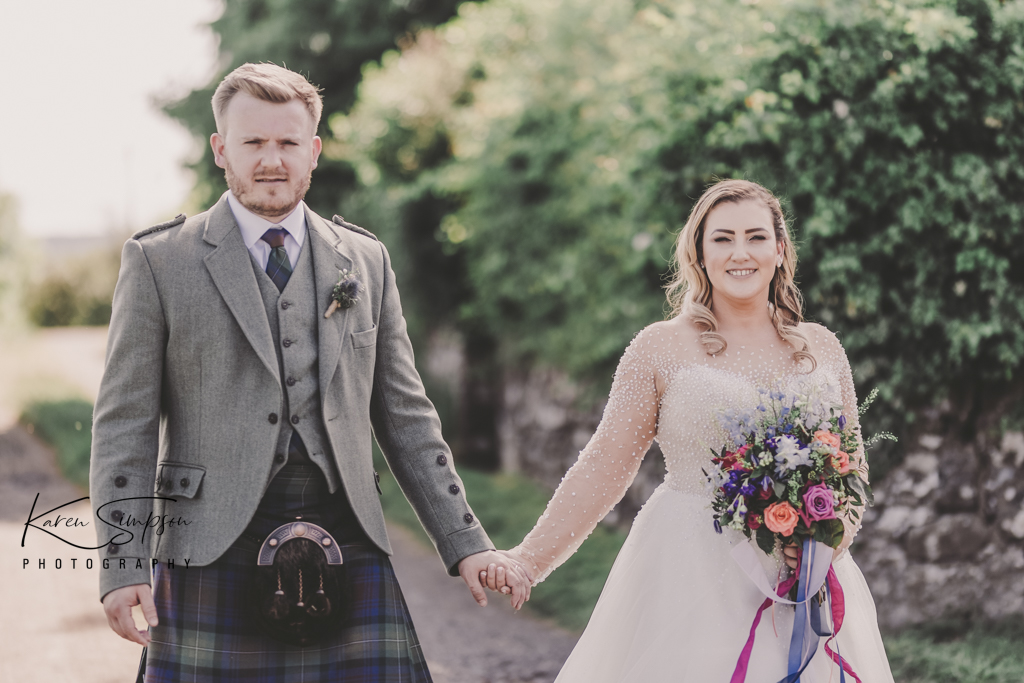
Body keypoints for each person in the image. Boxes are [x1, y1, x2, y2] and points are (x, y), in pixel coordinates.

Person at [90, 62, 527, 682]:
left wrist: (467, 542)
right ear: (221, 149)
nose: (272, 159)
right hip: (209, 548)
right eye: (253, 143)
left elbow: (405, 415)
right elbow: (123, 427)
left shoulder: (365, 260)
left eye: (288, 142)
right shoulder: (161, 261)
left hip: (345, 532)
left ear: (313, 151)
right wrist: (122, 564)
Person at [490, 179, 895, 681]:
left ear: (780, 248)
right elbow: (605, 464)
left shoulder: (822, 347)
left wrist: (827, 541)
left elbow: (852, 470)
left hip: (804, 575)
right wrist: (530, 559)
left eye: (756, 237)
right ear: (699, 253)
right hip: (692, 573)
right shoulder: (658, 348)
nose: (740, 252)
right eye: (722, 238)